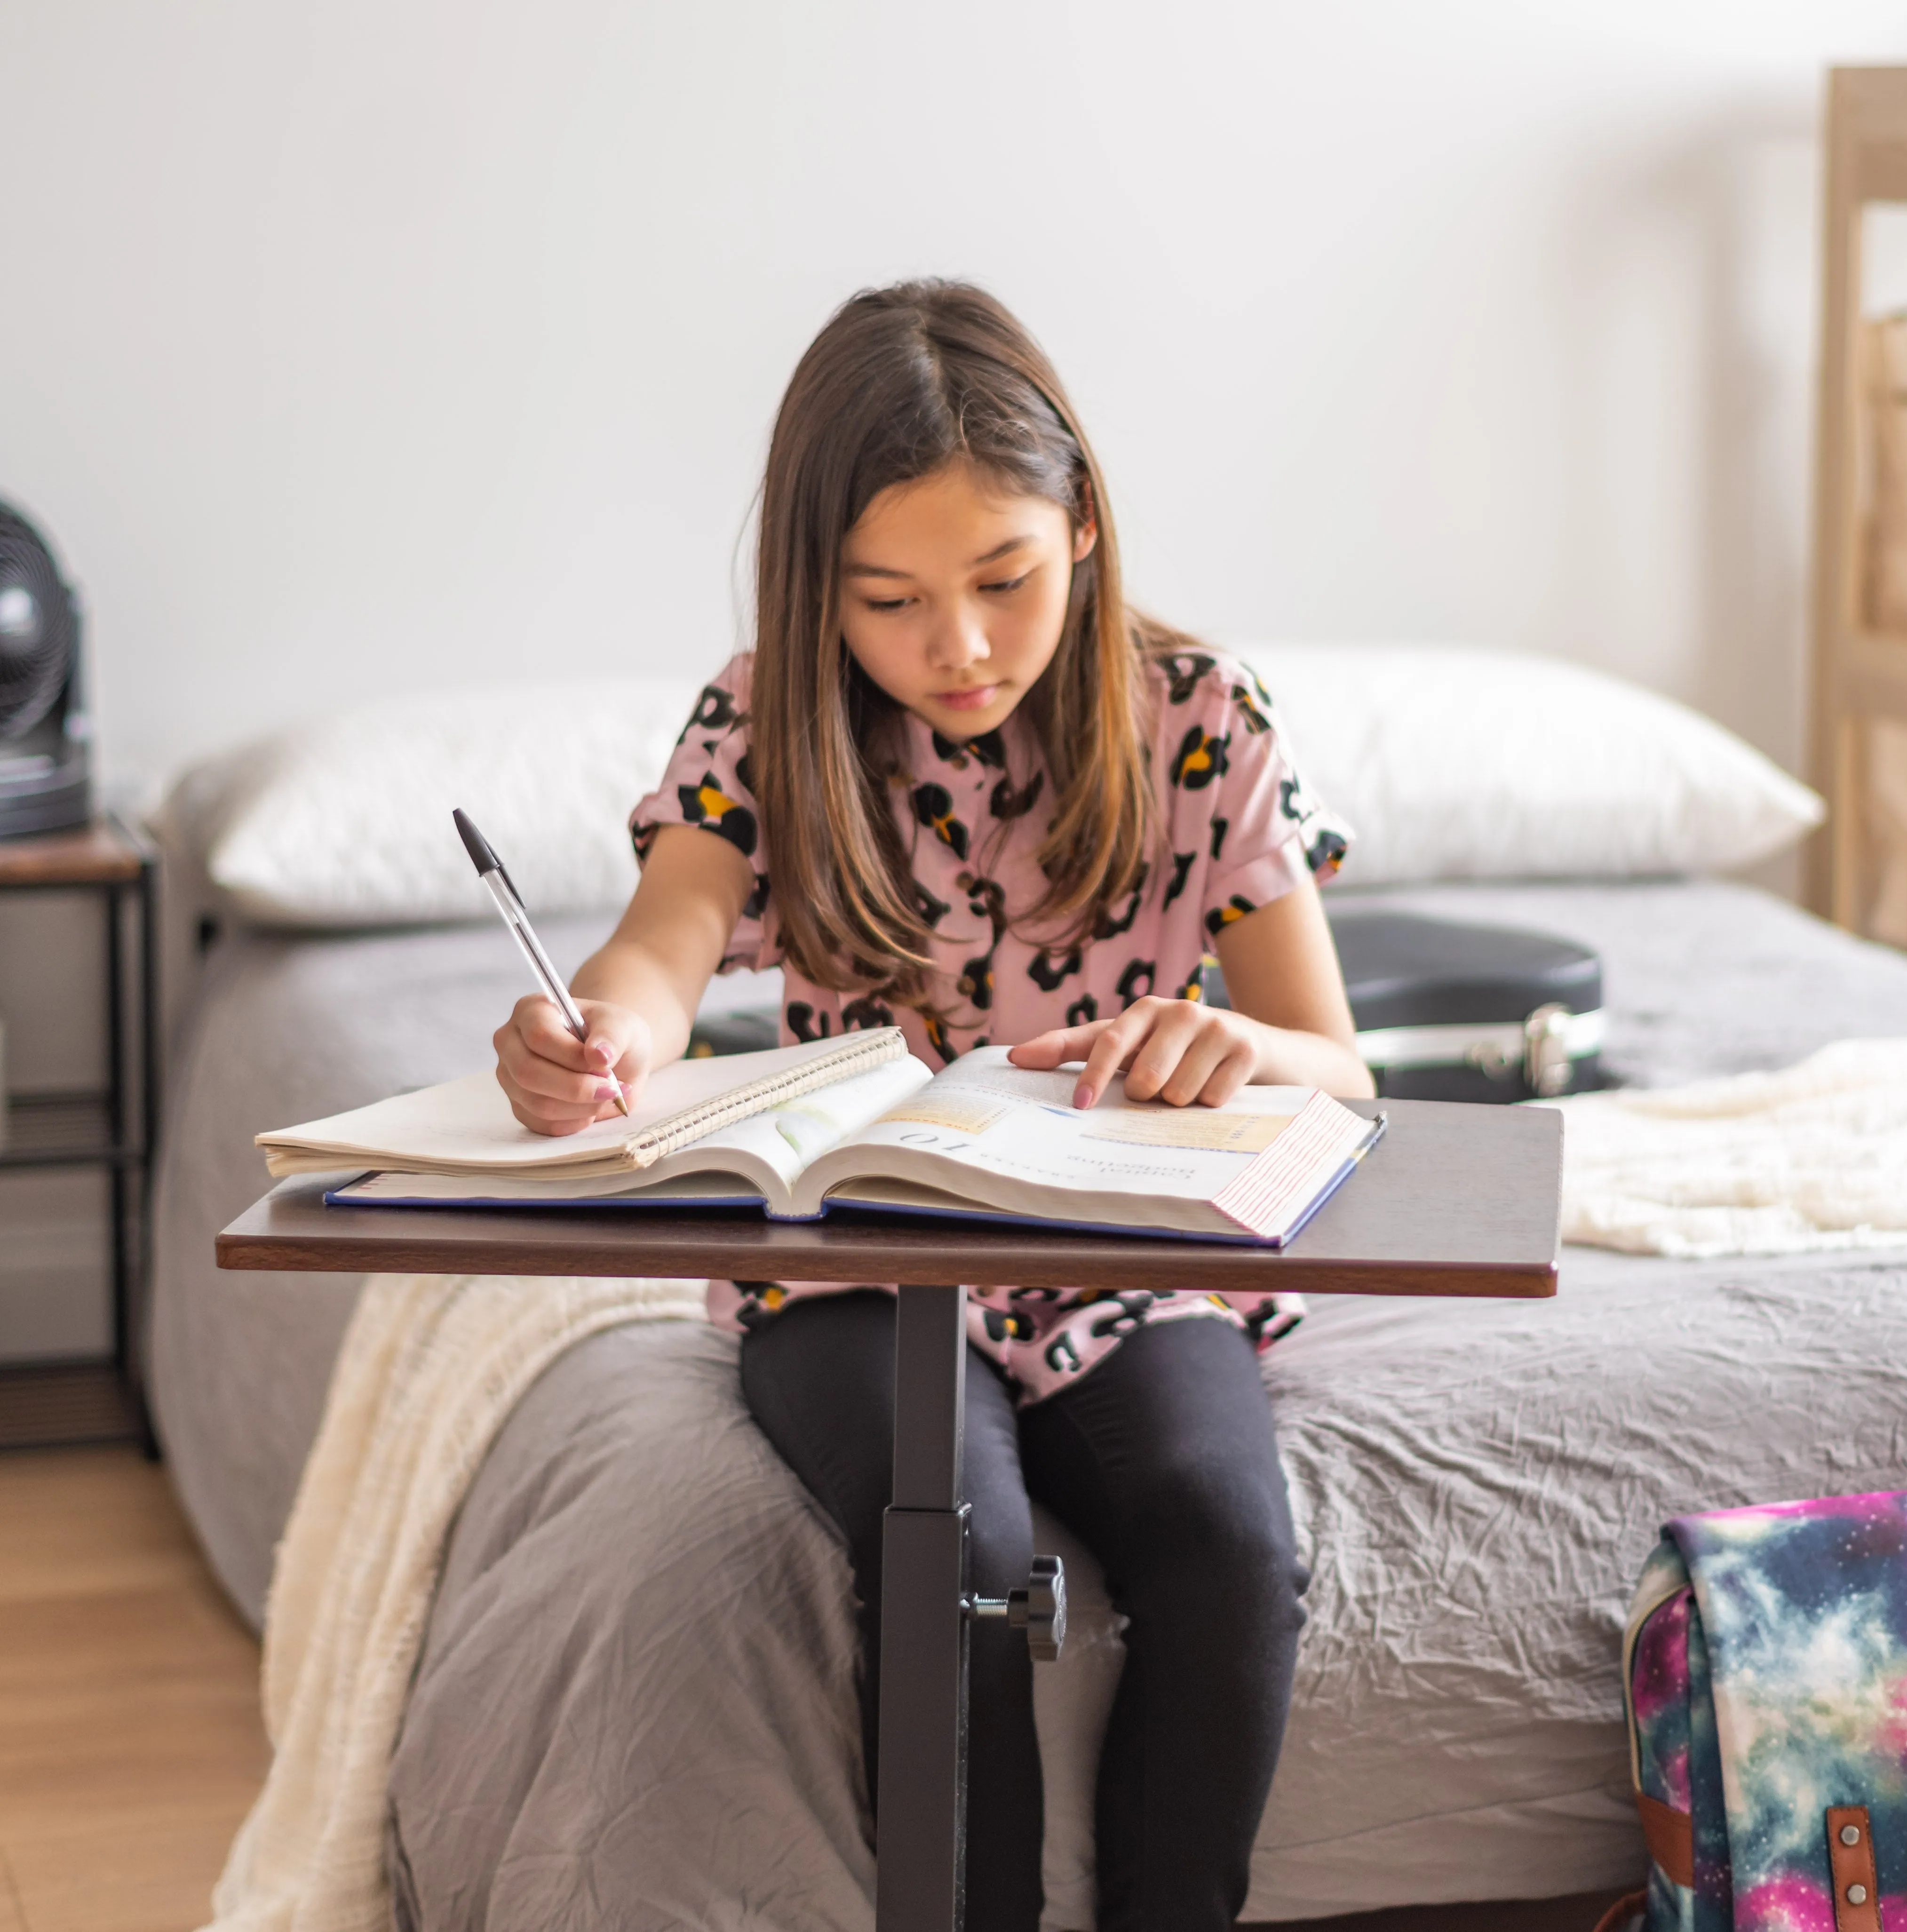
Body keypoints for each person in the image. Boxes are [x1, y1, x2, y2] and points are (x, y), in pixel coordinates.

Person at [491, 279, 1374, 1932]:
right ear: (816, 590)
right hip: (856, 1257)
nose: (954, 647)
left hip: (1132, 1250)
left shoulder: (1202, 720)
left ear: (1087, 525)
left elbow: (1340, 1064)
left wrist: (1239, 1053)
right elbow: (659, 955)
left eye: (1003, 580)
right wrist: (587, 1032)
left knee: (1229, 1551)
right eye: (887, 599)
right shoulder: (769, 718)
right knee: (946, 1548)